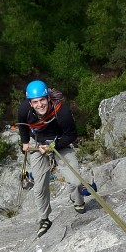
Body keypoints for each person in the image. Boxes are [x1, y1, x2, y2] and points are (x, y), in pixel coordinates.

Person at [17, 80, 85, 238]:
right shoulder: (24, 109)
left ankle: (77, 200)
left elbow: (71, 135)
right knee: (39, 186)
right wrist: (25, 142)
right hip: (38, 143)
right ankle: (44, 218)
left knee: (76, 181)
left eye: (42, 100)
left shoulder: (62, 111)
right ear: (30, 103)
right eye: (35, 102)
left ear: (48, 98)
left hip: (60, 142)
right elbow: (22, 125)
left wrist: (53, 146)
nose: (39, 105)